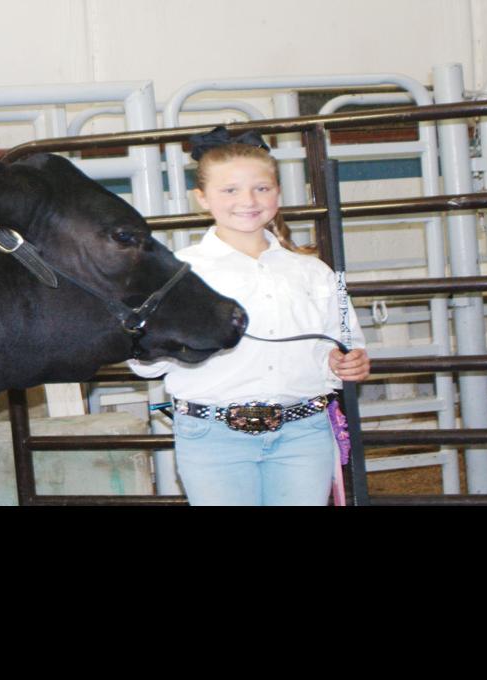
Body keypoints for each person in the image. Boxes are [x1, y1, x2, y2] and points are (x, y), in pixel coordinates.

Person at [129, 127, 372, 506]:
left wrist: (347, 361)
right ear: (202, 198)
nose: (248, 200)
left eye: (262, 188)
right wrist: (156, 341)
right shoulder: (177, 273)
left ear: (277, 192)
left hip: (303, 433)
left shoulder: (313, 272)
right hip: (212, 436)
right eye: (230, 190)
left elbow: (345, 342)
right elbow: (144, 365)